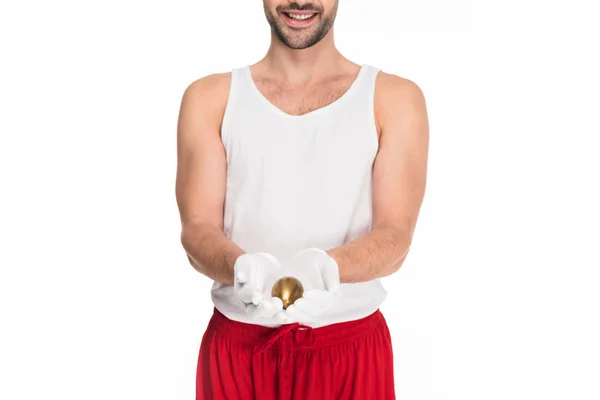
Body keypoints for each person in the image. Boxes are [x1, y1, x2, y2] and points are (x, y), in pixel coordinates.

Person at [176, 0, 429, 398]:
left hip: (349, 352)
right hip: (239, 352)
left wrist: (329, 268)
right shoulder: (209, 98)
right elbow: (196, 230)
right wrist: (240, 266)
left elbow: (396, 237)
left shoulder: (394, 99)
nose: (300, 1)